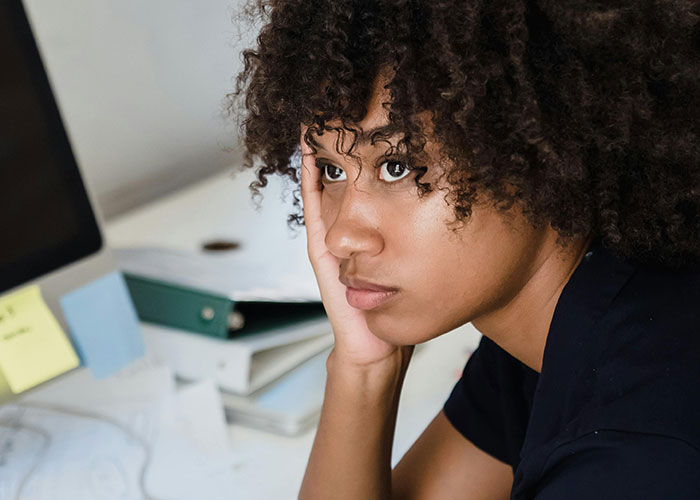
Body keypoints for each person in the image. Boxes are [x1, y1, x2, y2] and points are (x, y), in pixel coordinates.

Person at [231, 0, 700, 498]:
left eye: (397, 166)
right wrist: (363, 369)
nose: (340, 236)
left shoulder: (641, 458)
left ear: (538, 148)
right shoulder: (560, 330)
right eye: (331, 170)